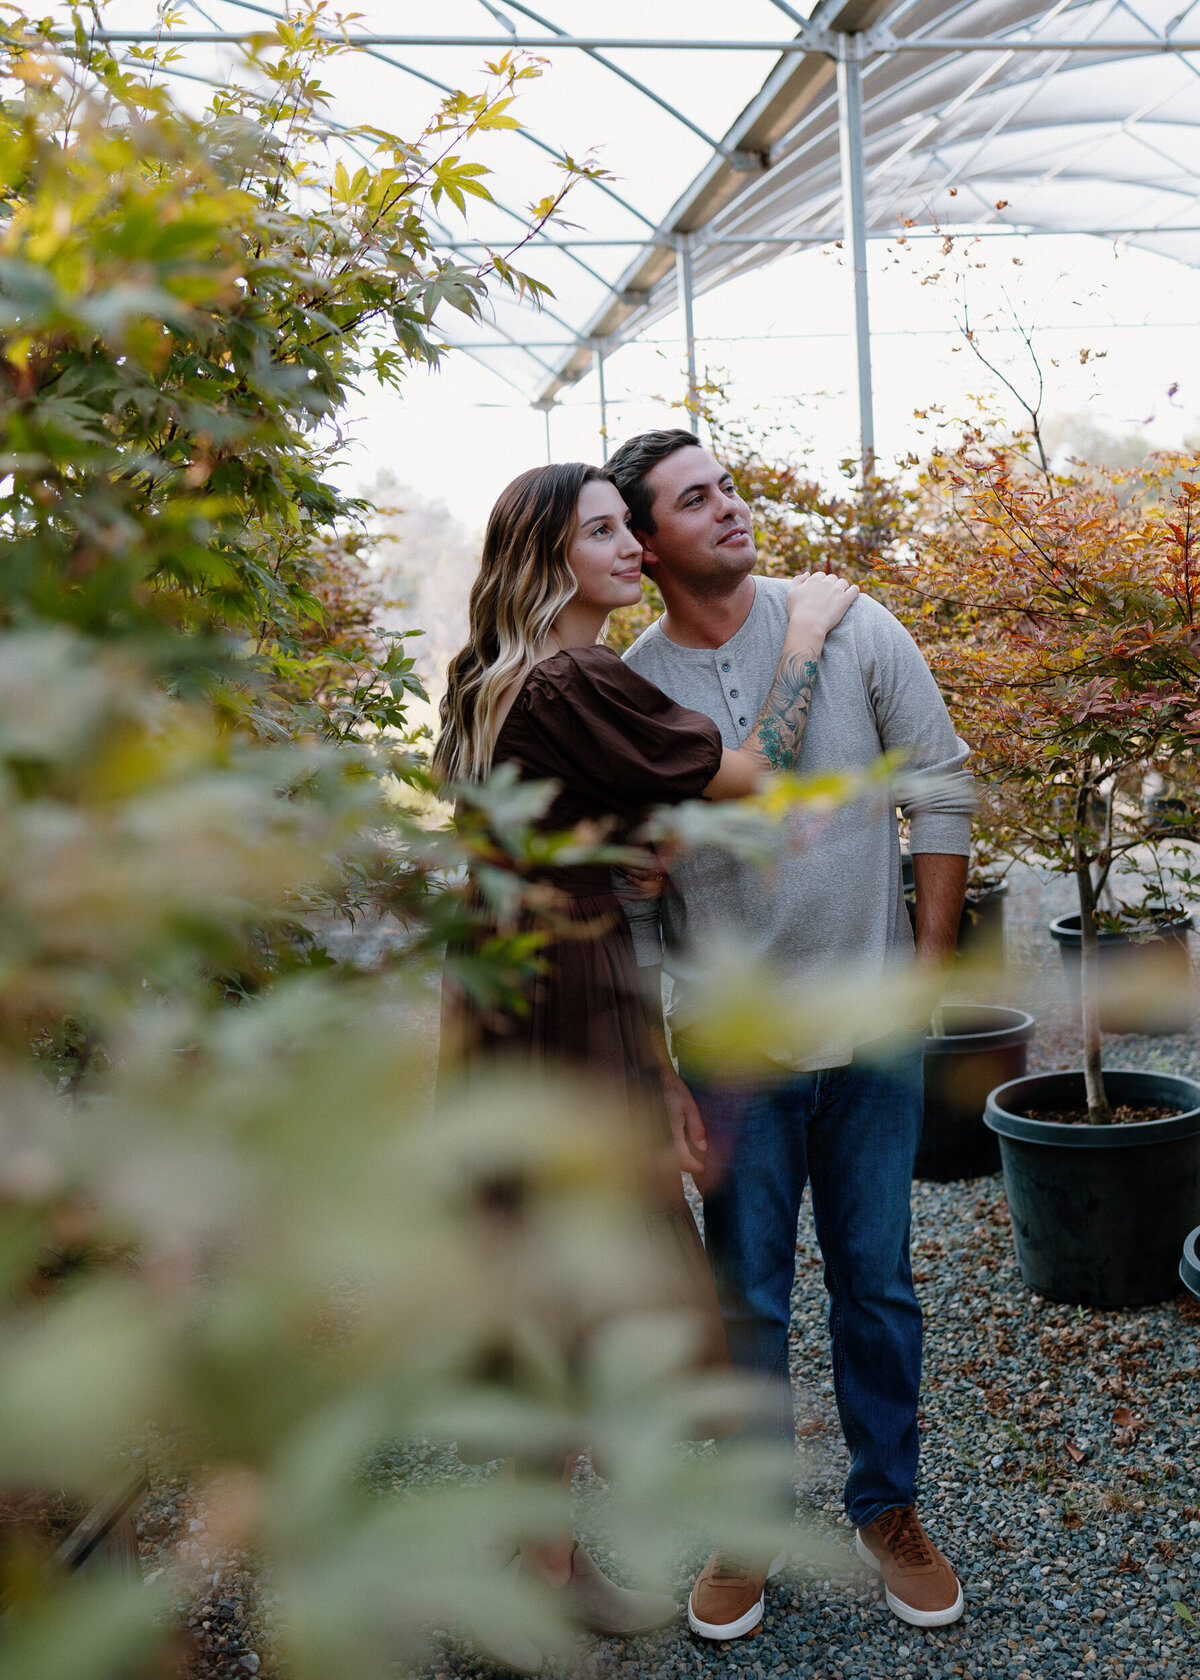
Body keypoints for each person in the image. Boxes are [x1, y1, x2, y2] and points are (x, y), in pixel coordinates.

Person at [433, 461, 857, 1670]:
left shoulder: (492, 679)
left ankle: (547, 1563)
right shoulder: (572, 675)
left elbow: (580, 834)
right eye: (605, 532)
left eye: (633, 527)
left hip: (521, 986)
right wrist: (810, 633)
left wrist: (634, 861)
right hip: (564, 996)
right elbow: (754, 770)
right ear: (547, 558)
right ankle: (535, 1577)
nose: (635, 550)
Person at [604, 428, 975, 1642]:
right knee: (748, 1300)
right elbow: (635, 896)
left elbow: (942, 789)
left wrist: (918, 980)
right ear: (647, 547)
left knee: (877, 1284)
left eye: (728, 486)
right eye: (694, 501)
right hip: (731, 1051)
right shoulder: (634, 689)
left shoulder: (856, 623)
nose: (730, 508)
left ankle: (889, 1510)